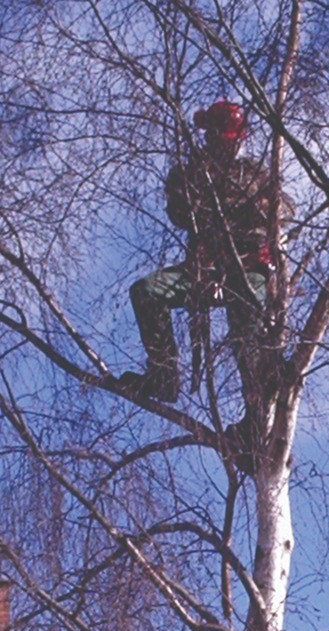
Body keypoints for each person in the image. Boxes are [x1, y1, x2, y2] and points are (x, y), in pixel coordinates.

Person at [120, 101, 291, 404]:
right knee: (147, 291)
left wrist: (241, 208)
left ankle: (257, 407)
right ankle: (163, 376)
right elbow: (178, 212)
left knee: (246, 322)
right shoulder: (192, 173)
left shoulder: (254, 174)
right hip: (204, 269)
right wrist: (200, 190)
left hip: (248, 266)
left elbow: (285, 210)